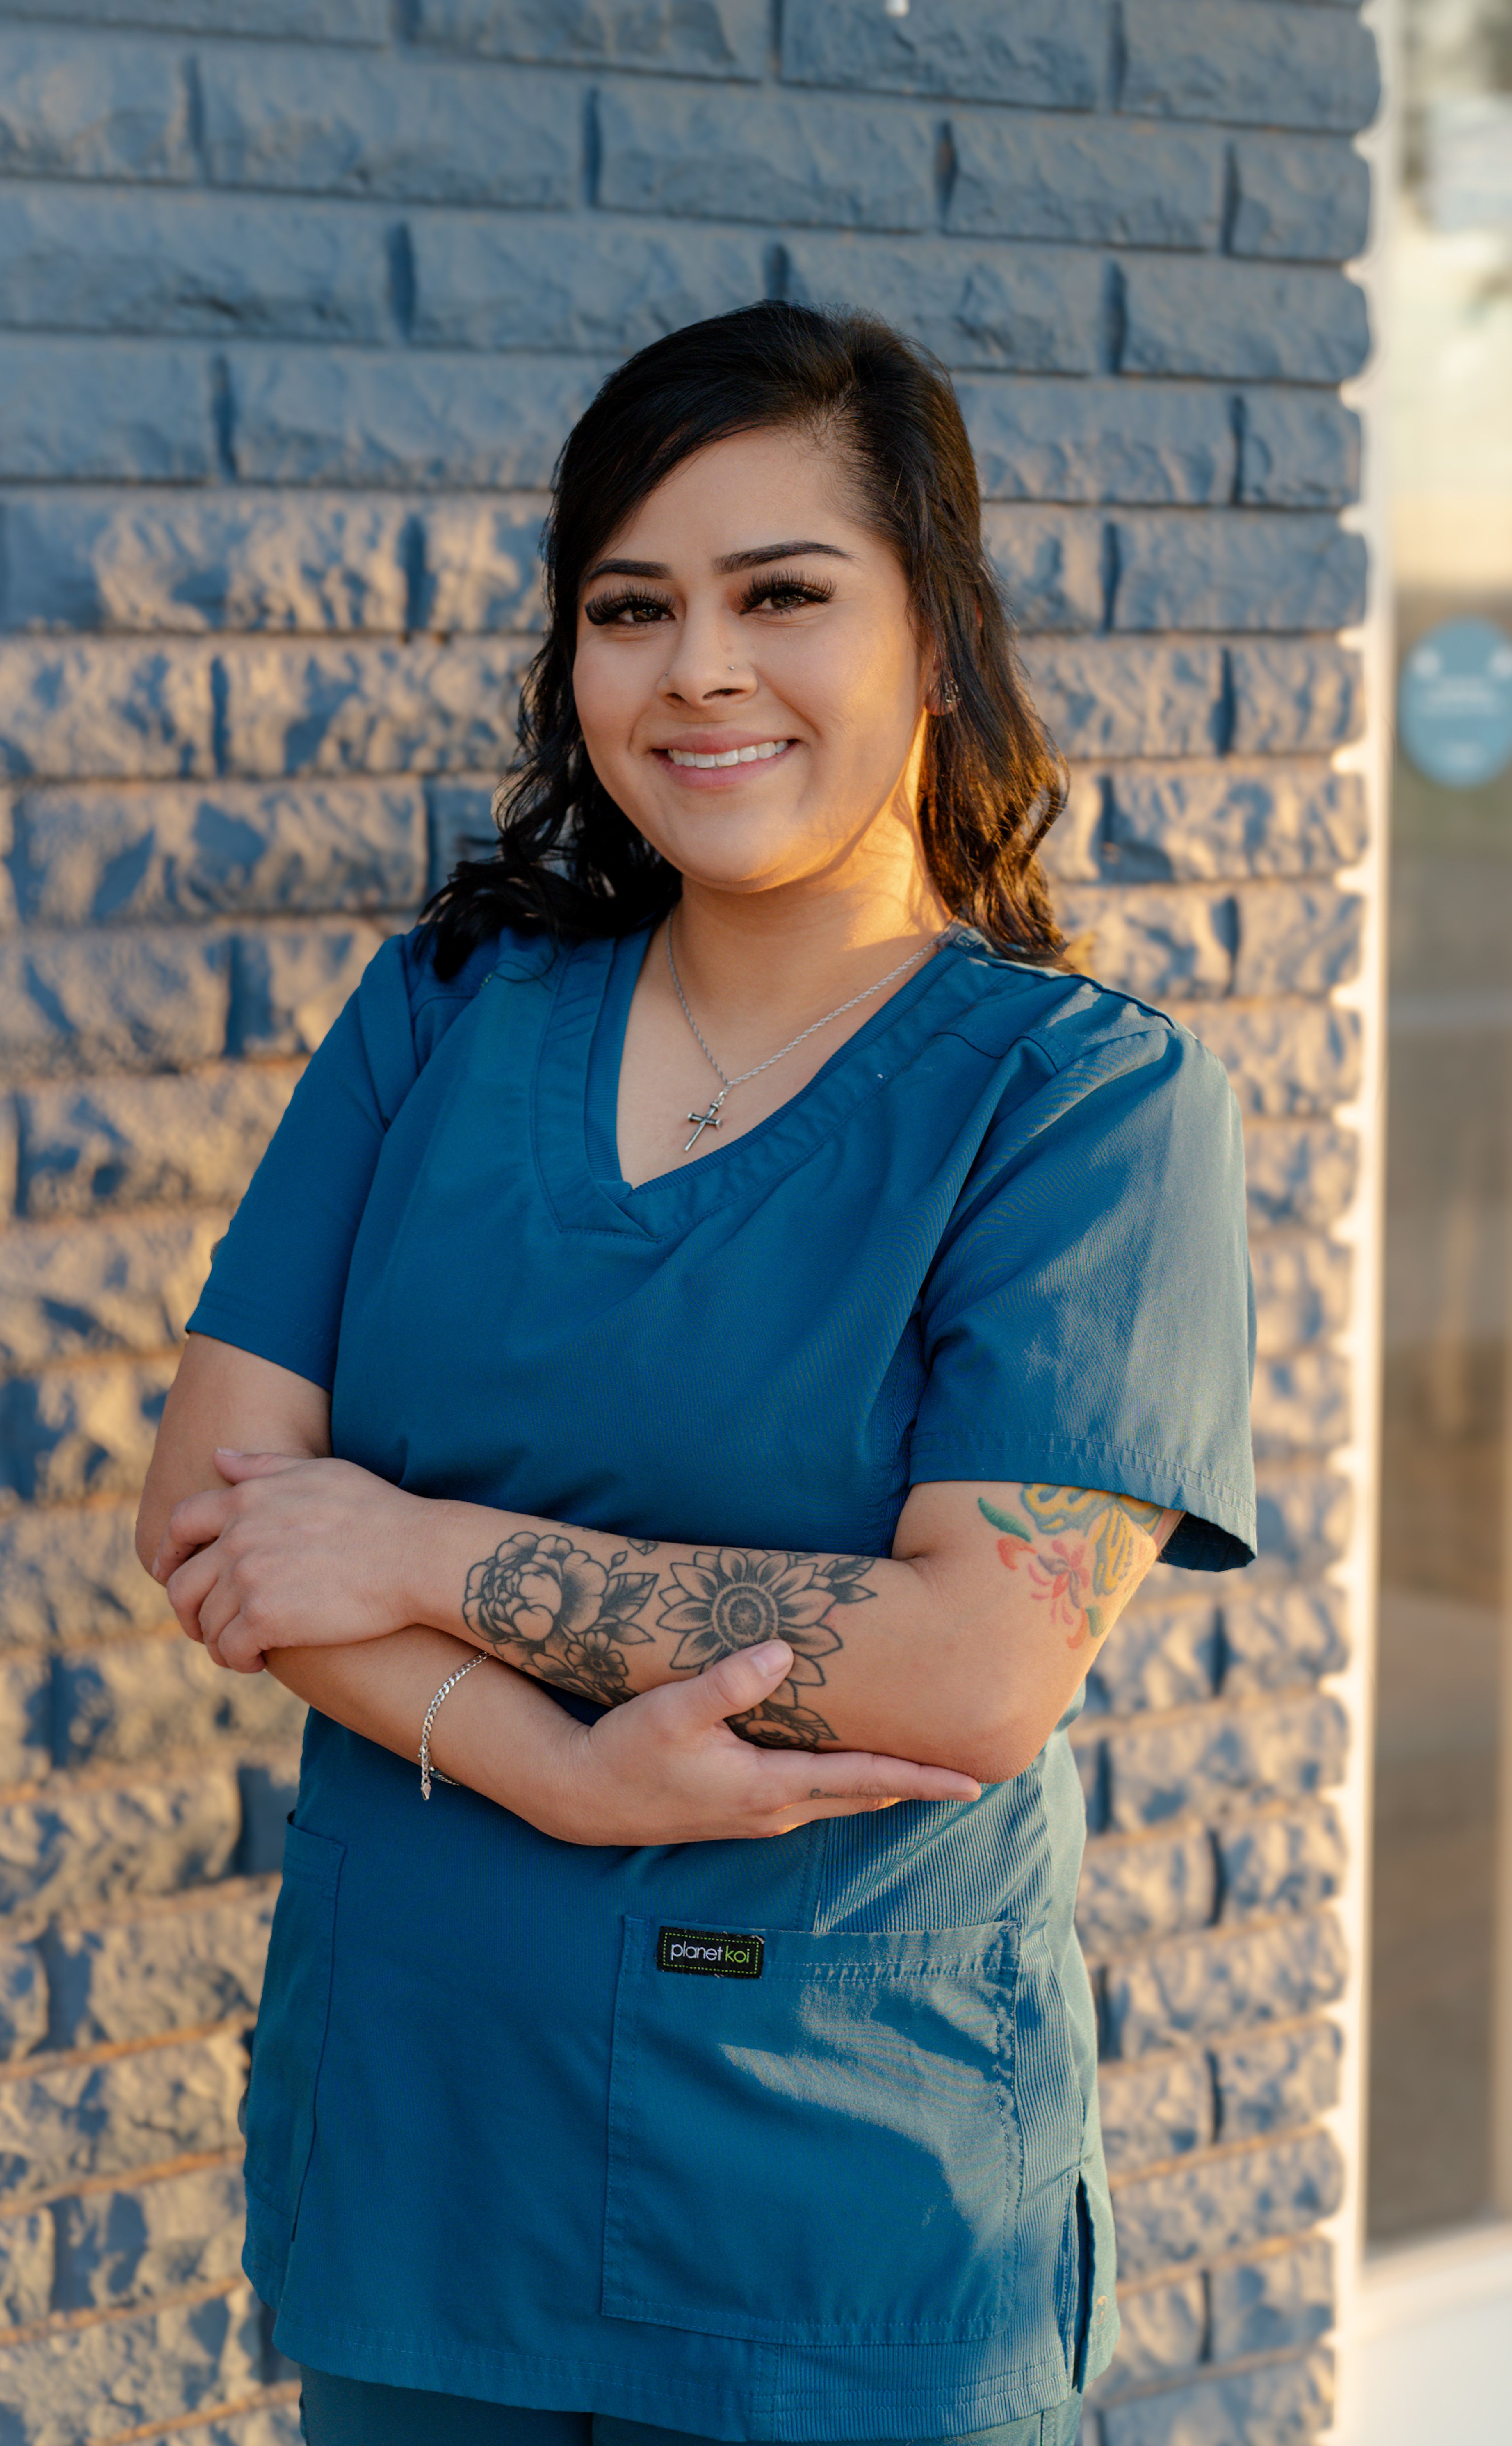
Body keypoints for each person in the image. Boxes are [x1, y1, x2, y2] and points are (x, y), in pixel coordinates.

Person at [137, 303, 1255, 2446]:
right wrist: (551, 1768)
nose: (697, 670)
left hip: (839, 2203)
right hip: (427, 2139)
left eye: (781, 596)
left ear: (936, 642)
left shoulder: (1076, 1105)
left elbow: (964, 1673)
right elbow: (216, 1522)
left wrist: (417, 1550)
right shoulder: (447, 1014)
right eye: (628, 608)